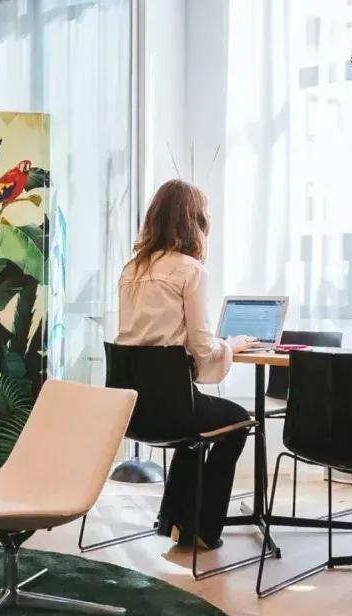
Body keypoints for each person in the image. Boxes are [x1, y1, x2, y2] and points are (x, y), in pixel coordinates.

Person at [116, 179, 257, 549]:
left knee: (194, 425)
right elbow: (202, 345)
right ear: (194, 222)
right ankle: (204, 529)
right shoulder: (190, 270)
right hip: (173, 408)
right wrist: (233, 345)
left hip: (131, 410)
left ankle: (173, 522)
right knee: (238, 422)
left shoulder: (131, 270)